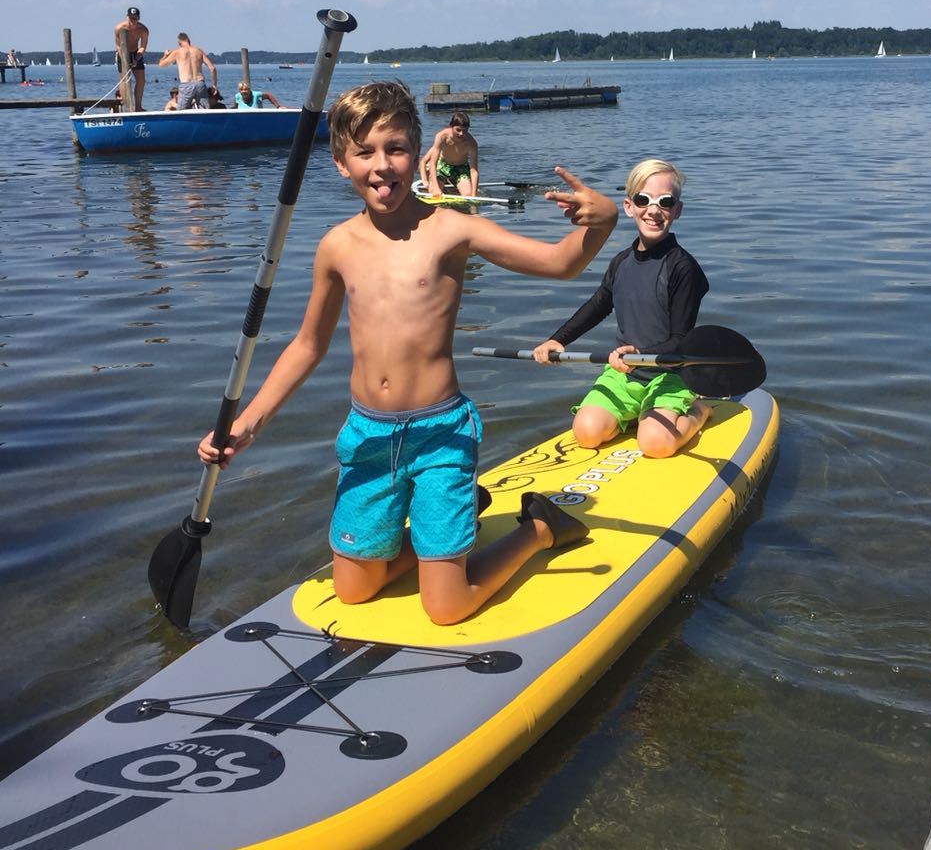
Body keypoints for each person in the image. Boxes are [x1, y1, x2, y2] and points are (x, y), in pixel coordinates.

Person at [198, 80, 618, 625]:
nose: (382, 166)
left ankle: (537, 530)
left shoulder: (451, 228)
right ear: (339, 162)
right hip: (368, 435)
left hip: (440, 432)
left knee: (446, 608)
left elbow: (561, 263)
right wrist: (250, 422)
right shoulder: (337, 246)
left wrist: (603, 221)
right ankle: (440, 529)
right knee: (353, 591)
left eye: (395, 149)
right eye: (364, 152)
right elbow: (308, 344)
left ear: (416, 154)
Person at [532, 159, 711, 458]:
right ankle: (632, 416)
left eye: (665, 202)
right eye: (644, 200)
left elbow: (681, 338)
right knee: (586, 432)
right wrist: (558, 339)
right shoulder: (620, 263)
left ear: (676, 211)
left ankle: (697, 411)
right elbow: (597, 306)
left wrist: (638, 358)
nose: (654, 210)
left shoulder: (684, 268)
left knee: (656, 445)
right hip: (624, 373)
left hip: (669, 373)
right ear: (629, 206)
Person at [420, 110, 479, 197]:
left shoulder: (471, 143)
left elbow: (474, 170)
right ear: (451, 126)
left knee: (467, 194)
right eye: (458, 130)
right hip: (443, 166)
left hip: (460, 168)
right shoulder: (441, 137)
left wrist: (474, 194)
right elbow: (433, 163)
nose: (461, 134)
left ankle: (454, 184)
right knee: (433, 192)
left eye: (465, 130)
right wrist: (436, 187)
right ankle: (441, 184)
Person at [158, 33, 218, 109]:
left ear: (179, 43)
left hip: (186, 85)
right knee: (204, 110)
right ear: (189, 40)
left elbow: (161, 64)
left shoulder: (177, 52)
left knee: (181, 111)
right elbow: (212, 68)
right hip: (200, 83)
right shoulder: (199, 51)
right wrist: (214, 85)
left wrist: (165, 55)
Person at [113, 6, 149, 111]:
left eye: (135, 18)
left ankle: (138, 106)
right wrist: (124, 59)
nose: (133, 20)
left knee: (141, 80)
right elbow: (118, 45)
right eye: (131, 18)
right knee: (124, 80)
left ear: (138, 18)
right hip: (122, 53)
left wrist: (137, 58)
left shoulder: (143, 30)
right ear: (127, 17)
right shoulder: (119, 28)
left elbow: (143, 46)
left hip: (136, 53)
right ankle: (127, 106)